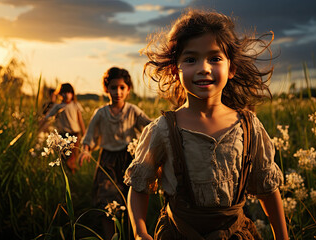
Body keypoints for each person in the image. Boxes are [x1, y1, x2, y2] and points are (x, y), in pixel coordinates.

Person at [124, 9, 289, 240]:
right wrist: (140, 231)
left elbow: (268, 190)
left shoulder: (249, 127)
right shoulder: (163, 129)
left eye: (214, 58)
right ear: (175, 68)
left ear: (232, 68)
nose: (203, 68)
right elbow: (139, 186)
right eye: (191, 59)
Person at [80, 67, 151, 240]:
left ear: (128, 89)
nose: (117, 92)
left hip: (129, 158)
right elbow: (89, 134)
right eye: (113, 87)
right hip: (107, 161)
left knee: (130, 198)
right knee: (107, 201)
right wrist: (86, 149)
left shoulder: (133, 110)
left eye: (122, 87)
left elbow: (150, 126)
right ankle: (110, 236)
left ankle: (130, 232)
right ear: (107, 89)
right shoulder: (101, 113)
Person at [43, 83, 85, 173]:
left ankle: (73, 174)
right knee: (64, 158)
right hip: (63, 136)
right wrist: (41, 125)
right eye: (63, 93)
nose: (66, 95)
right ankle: (69, 175)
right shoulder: (58, 106)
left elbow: (80, 120)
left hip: (75, 135)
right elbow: (47, 117)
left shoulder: (75, 105)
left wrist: (84, 134)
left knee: (72, 158)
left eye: (69, 92)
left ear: (72, 94)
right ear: (60, 94)